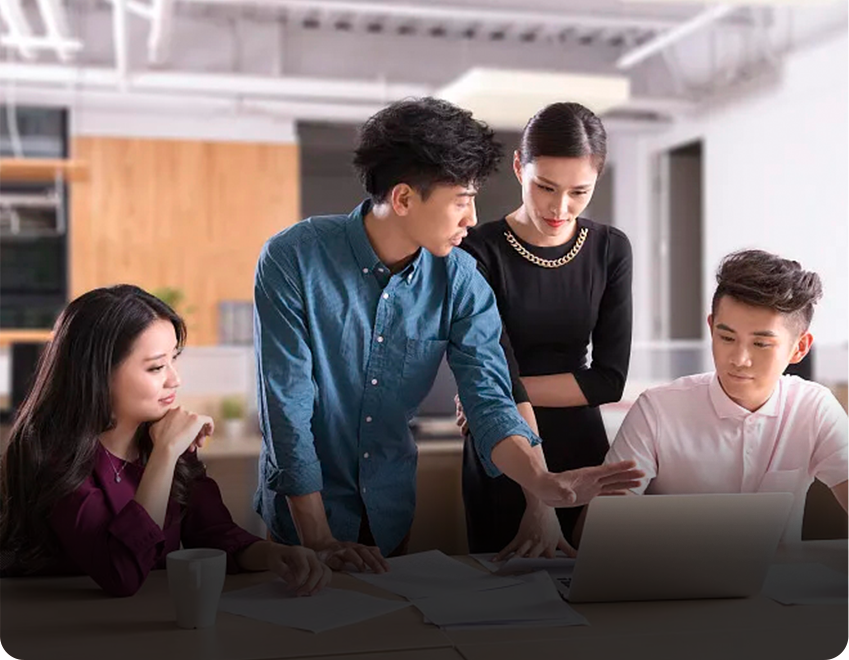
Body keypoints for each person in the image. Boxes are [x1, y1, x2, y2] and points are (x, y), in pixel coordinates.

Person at [252, 97, 643, 572]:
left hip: (389, 508)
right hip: (301, 519)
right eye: (461, 201)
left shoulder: (460, 279)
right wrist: (318, 537)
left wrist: (540, 483)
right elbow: (287, 406)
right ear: (403, 199)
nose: (472, 219)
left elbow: (491, 400)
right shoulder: (293, 258)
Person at [0, 285, 331, 597]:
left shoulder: (163, 436)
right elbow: (121, 573)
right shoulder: (51, 452)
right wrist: (165, 453)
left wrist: (273, 554)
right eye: (157, 367)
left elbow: (215, 534)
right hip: (60, 625)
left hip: (150, 616)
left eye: (174, 359)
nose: (175, 379)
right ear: (98, 373)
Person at [455, 102, 633, 558]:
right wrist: (539, 495)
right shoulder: (476, 252)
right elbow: (497, 362)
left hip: (582, 449)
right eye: (545, 187)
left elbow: (609, 381)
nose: (560, 207)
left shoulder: (610, 249)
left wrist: (491, 393)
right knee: (502, 590)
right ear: (519, 168)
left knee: (592, 588)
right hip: (504, 449)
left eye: (579, 191)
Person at [603, 249, 849, 542]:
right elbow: (598, 532)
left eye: (761, 344)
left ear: (799, 348)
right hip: (670, 571)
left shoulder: (814, 408)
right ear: (711, 328)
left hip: (779, 572)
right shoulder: (657, 409)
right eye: (727, 338)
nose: (739, 359)